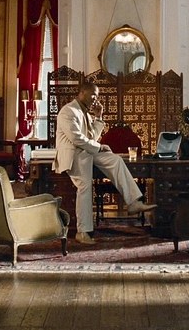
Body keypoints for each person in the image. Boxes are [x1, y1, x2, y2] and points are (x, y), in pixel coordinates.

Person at [53, 82, 157, 244]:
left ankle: (134, 202)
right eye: (93, 95)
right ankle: (83, 232)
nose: (96, 99)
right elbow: (76, 139)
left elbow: (92, 138)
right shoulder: (68, 111)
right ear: (82, 92)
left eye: (97, 96)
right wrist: (99, 147)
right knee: (85, 187)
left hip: (86, 152)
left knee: (115, 159)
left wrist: (98, 117)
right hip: (74, 155)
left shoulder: (86, 113)